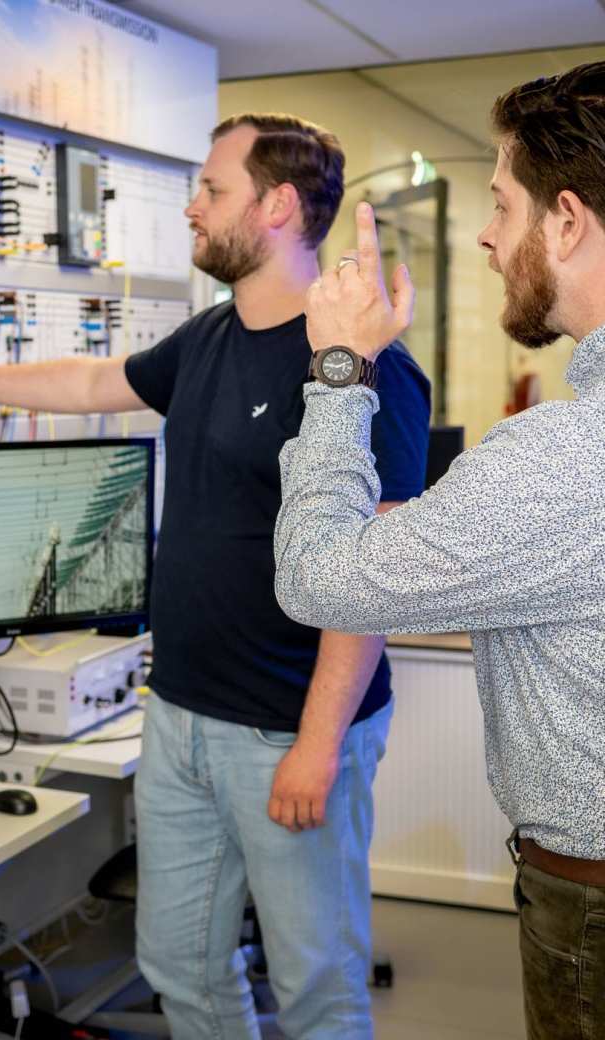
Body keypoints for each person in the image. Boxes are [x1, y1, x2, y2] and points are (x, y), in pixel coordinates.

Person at [0, 113, 430, 1038]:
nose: (192, 208)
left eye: (210, 190)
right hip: (182, 713)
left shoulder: (369, 368)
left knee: (317, 989)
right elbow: (88, 383)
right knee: (181, 966)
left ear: (276, 206)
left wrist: (317, 744)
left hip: (288, 726)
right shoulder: (206, 340)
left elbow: (375, 578)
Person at [273, 63, 605, 1040]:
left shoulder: (563, 457)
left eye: (503, 204)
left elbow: (316, 577)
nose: (487, 235)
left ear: (569, 220)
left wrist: (337, 364)